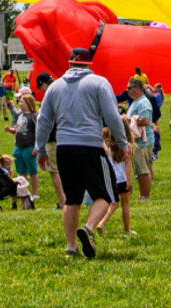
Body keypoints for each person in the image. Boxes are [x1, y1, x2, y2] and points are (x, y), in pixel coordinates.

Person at [35, 31, 132, 260]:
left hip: (64, 147)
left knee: (72, 198)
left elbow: (43, 120)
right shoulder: (98, 83)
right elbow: (112, 116)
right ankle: (87, 229)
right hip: (90, 146)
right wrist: (123, 141)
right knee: (106, 194)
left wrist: (40, 149)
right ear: (89, 64)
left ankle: (71, 246)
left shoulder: (55, 87)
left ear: (69, 64)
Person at [126, 80, 156, 200]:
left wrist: (128, 120)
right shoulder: (136, 102)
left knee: (143, 170)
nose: (127, 90)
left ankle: (145, 195)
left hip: (143, 142)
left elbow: (145, 121)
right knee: (139, 170)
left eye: (129, 88)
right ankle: (142, 195)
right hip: (136, 142)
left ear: (137, 88)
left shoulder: (143, 103)